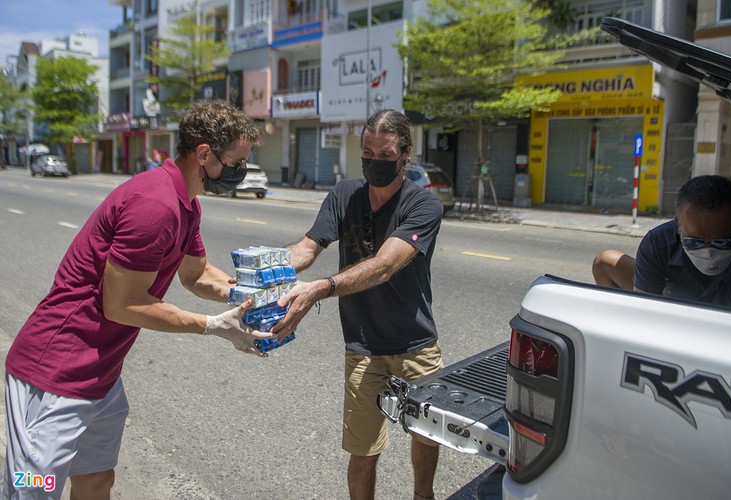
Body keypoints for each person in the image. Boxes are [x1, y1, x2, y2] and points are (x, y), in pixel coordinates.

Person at [4, 99, 272, 499]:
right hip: (58, 369)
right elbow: (122, 304)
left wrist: (251, 295)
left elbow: (197, 274)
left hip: (102, 373)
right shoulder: (155, 205)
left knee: (97, 479)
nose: (240, 171)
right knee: (34, 487)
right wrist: (214, 326)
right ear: (204, 154)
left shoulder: (185, 203)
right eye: (236, 162)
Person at [272, 109, 445, 500]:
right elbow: (306, 248)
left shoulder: (423, 205)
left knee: (425, 437)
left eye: (385, 155)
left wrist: (320, 288)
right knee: (362, 452)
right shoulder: (344, 195)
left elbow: (384, 266)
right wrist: (264, 268)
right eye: (367, 153)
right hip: (363, 346)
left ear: (406, 154)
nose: (374, 162)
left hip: (415, 344)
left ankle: (424, 496)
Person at [592, 175, 731, 315]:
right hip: (671, 317)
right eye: (694, 242)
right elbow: (643, 311)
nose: (708, 253)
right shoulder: (659, 243)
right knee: (605, 261)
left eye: (722, 242)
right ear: (678, 226)